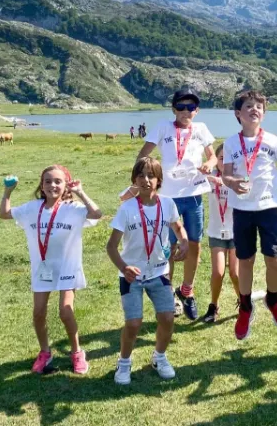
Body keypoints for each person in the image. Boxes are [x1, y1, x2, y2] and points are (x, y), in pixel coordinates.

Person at [0, 165, 102, 374]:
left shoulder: (72, 209)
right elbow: (4, 214)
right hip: (43, 269)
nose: (52, 185)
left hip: (67, 267)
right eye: (47, 181)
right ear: (41, 185)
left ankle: (76, 352)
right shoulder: (31, 209)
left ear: (65, 186)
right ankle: (45, 352)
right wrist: (8, 192)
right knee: (38, 313)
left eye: (58, 181)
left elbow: (97, 214)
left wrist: (80, 192)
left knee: (65, 311)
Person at [222, 90, 277, 340]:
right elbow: (226, 175)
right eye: (248, 106)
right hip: (242, 211)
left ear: (264, 113)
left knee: (274, 260)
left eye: (259, 106)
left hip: (269, 209)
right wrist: (232, 182)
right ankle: (246, 306)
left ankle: (273, 299)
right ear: (238, 113)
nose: (254, 109)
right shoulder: (230, 143)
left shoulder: (272, 141)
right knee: (245, 261)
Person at [106, 157, 188, 385]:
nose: (146, 180)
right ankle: (124, 362)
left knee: (167, 318)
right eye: (141, 175)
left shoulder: (168, 204)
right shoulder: (127, 208)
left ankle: (159, 357)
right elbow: (111, 247)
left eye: (151, 175)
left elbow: (178, 227)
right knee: (133, 323)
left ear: (159, 180)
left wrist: (184, 242)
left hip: (159, 273)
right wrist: (124, 267)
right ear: (134, 179)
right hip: (131, 277)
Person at [136, 88, 216, 320]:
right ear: (173, 109)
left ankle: (187, 291)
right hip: (168, 197)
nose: (186, 111)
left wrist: (209, 164)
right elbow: (143, 156)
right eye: (181, 107)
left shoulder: (201, 129)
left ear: (197, 111)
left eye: (191, 107)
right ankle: (169, 294)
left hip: (193, 196)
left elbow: (212, 156)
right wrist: (149, 177)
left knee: (194, 244)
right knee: (169, 247)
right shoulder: (163, 126)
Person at [201, 144, 241, 323]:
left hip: (237, 233)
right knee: (218, 272)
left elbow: (249, 186)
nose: (226, 161)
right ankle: (213, 306)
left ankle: (244, 302)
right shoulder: (210, 179)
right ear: (216, 160)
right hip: (216, 233)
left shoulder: (240, 178)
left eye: (229, 158)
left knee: (236, 273)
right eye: (222, 158)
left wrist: (226, 182)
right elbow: (194, 179)